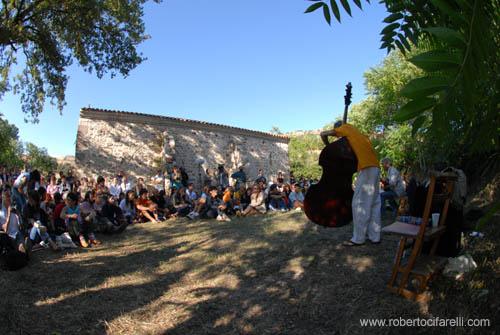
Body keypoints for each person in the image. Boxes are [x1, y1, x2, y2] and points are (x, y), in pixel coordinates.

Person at [321, 121, 381, 246]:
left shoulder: (346, 128)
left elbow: (323, 134)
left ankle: (358, 239)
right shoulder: (361, 136)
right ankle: (375, 237)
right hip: (375, 167)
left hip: (366, 168)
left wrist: (328, 146)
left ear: (339, 127)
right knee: (374, 203)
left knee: (359, 203)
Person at [0, 186, 28, 255]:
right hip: (10, 237)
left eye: (10, 197)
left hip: (18, 234)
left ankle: (23, 249)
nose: (10, 199)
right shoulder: (1, 214)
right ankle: (23, 251)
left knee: (21, 240)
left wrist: (18, 215)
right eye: (8, 198)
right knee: (20, 246)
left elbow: (21, 226)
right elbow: (5, 230)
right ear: (3, 199)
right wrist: (9, 214)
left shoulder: (14, 210)